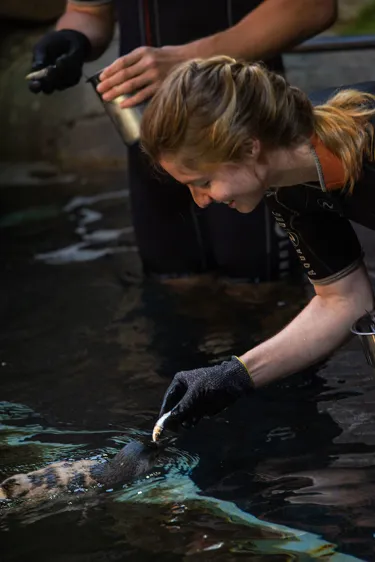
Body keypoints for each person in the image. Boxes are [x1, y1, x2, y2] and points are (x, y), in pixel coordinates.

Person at [139, 56, 375, 431]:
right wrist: (235, 375)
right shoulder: (289, 188)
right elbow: (344, 300)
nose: (200, 201)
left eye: (203, 181)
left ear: (250, 148)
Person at [28, 0, 337, 279]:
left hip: (235, 132)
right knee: (173, 281)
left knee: (260, 286)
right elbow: (88, 11)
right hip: (151, 144)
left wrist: (189, 59)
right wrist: (74, 39)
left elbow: (311, 7)